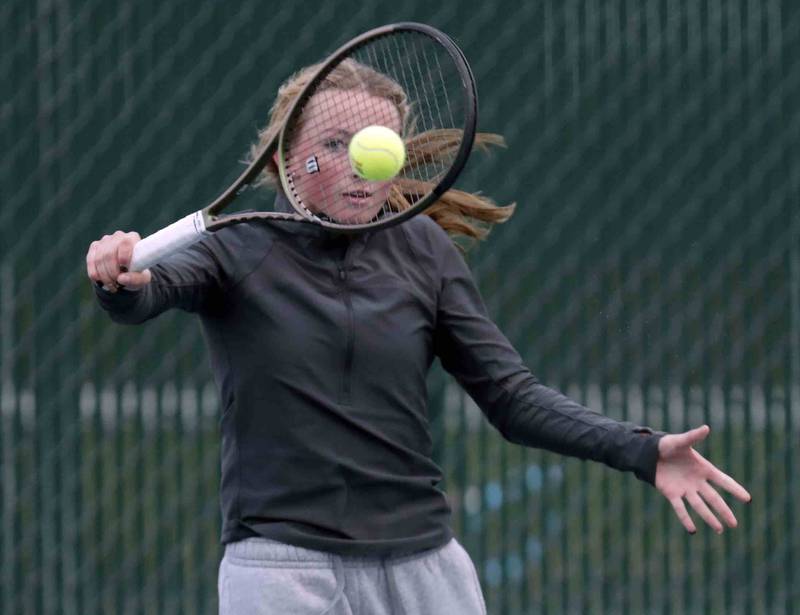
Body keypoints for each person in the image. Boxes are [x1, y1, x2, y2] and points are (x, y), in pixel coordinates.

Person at [87, 59, 751, 615]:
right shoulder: (237, 249)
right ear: (290, 154)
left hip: (425, 569)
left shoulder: (425, 252)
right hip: (283, 571)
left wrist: (641, 450)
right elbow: (146, 296)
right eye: (336, 142)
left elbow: (512, 398)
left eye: (376, 146)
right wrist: (120, 276)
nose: (359, 163)